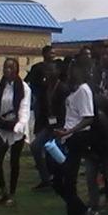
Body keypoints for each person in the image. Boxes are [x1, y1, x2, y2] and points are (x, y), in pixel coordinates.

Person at [48, 59, 99, 215]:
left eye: (72, 70)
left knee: (68, 181)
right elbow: (73, 116)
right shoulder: (73, 90)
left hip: (78, 138)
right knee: (58, 180)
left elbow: (88, 118)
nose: (69, 73)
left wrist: (70, 130)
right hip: (69, 137)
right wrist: (64, 130)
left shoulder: (83, 90)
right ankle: (82, 210)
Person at [0, 57, 31, 207]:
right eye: (5, 67)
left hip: (16, 127)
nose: (7, 70)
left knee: (14, 161)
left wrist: (21, 124)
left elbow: (24, 107)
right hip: (2, 126)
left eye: (10, 68)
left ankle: (12, 192)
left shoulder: (23, 87)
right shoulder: (0, 86)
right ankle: (2, 189)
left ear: (16, 70)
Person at [30, 60, 67, 190]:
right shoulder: (45, 87)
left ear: (58, 72)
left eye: (51, 70)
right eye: (47, 71)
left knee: (54, 152)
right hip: (48, 125)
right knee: (35, 146)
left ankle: (62, 179)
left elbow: (65, 111)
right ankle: (46, 178)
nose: (49, 73)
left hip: (61, 126)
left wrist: (61, 127)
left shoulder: (62, 89)